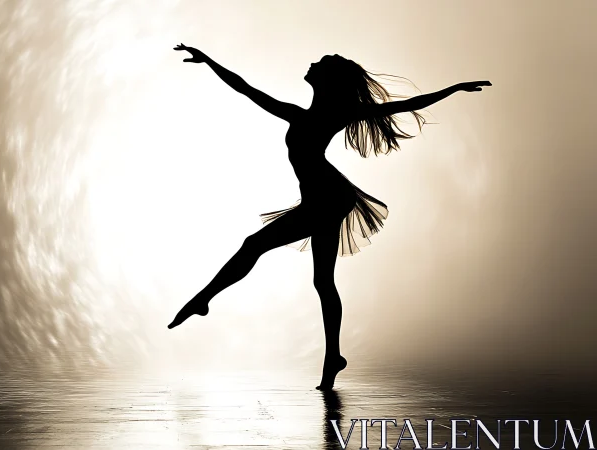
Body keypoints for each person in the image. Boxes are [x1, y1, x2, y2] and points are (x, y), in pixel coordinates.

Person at [166, 43, 490, 390]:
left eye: (319, 63)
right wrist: (209, 60)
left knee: (254, 245)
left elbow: (406, 105)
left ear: (327, 80)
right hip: (325, 199)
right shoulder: (301, 115)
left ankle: (203, 299)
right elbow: (244, 88)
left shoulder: (332, 116)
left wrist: (453, 89)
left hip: (328, 199)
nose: (311, 63)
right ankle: (332, 356)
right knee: (321, 280)